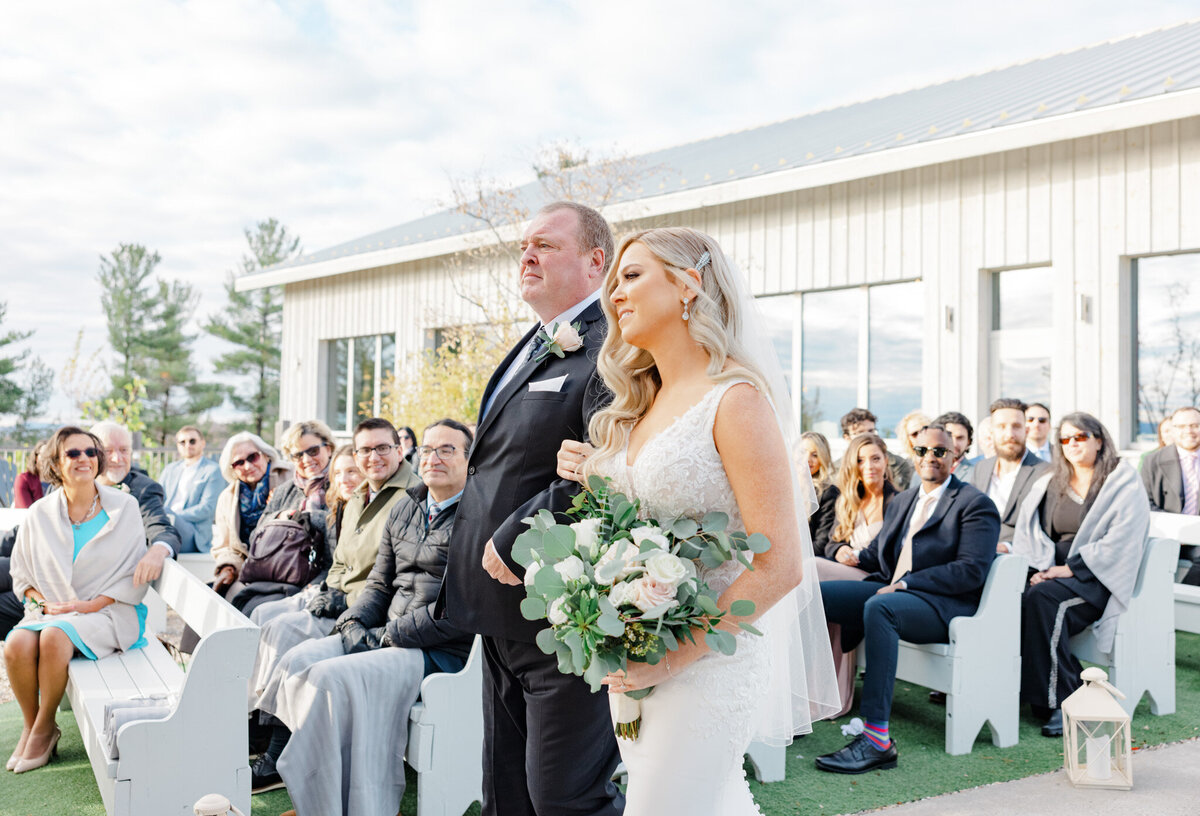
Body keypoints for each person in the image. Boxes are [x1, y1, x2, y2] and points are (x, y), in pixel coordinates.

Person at [555, 226, 839, 814]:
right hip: (635, 652)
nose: (614, 297)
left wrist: (674, 656)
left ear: (688, 286)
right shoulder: (641, 402)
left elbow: (780, 564)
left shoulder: (735, 400)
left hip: (707, 660)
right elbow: (644, 522)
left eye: (631, 276)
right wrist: (595, 476)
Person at [437, 200, 626, 816]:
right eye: (524, 245)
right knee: (507, 792)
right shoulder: (534, 342)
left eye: (545, 244)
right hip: (495, 607)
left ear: (596, 261)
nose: (527, 255)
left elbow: (606, 464)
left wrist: (517, 532)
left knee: (565, 799)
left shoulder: (611, 349)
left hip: (556, 606)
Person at [265, 420, 476, 816]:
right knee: (297, 661)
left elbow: (455, 611)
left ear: (470, 459)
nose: (434, 458)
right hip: (390, 636)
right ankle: (320, 800)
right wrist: (353, 624)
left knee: (329, 678)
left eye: (448, 450)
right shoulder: (406, 508)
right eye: (428, 449)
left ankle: (359, 806)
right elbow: (379, 584)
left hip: (439, 651)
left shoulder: (478, 518)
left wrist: (383, 636)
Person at [247, 417, 420, 792]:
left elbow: (398, 579)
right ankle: (262, 732)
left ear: (399, 448)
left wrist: (345, 600)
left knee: (285, 635)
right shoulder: (359, 496)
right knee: (270, 622)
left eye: (382, 448)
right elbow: (342, 560)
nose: (373, 457)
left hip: (368, 615)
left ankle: (275, 749)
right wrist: (332, 590)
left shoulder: (412, 497)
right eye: (364, 450)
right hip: (341, 601)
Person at [817, 425, 999, 774]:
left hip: (943, 606)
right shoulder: (903, 501)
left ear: (955, 457)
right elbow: (876, 556)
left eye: (940, 451)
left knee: (880, 607)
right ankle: (792, 700)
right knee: (814, 596)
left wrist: (907, 583)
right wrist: (841, 552)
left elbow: (970, 571)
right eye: (922, 451)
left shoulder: (975, 504)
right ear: (913, 456)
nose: (930, 457)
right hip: (895, 592)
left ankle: (876, 740)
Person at [3, 426, 150, 773]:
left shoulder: (124, 507)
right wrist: (43, 605)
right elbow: (21, 574)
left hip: (110, 611)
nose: (84, 459)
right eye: (73, 453)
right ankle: (31, 723)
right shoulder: (39, 513)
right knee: (17, 644)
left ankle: (43, 728)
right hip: (52, 609)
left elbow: (131, 576)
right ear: (56, 462)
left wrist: (87, 606)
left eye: (90, 452)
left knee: (55, 636)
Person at [1011, 412, 1150, 736]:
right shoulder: (1052, 481)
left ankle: (1066, 699)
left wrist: (1069, 568)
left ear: (1098, 440)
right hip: (1052, 570)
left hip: (1097, 578)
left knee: (1044, 600)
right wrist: (1041, 567)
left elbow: (1123, 538)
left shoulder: (1122, 480)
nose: (1072, 444)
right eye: (1065, 439)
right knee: (1011, 590)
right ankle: (1021, 687)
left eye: (1080, 437)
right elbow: (1034, 532)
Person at [811, 432, 899, 717]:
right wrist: (839, 552)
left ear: (886, 461)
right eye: (861, 460)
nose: (869, 466)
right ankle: (822, 692)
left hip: (876, 579)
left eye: (875, 458)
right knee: (817, 579)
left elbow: (892, 553)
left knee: (810, 569)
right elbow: (832, 542)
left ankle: (833, 694)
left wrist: (858, 556)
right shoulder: (850, 500)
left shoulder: (898, 502)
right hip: (845, 572)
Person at [226, 420, 335, 615]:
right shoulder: (285, 491)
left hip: (317, 576)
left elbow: (343, 531)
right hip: (276, 572)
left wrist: (307, 518)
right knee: (225, 603)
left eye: (312, 451)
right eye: (298, 455)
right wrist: (284, 516)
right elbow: (256, 537)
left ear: (328, 448)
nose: (306, 460)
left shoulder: (340, 485)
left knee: (256, 611)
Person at [91, 421, 182, 583]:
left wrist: (158, 550)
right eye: (108, 451)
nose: (117, 458)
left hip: (121, 580)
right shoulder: (77, 485)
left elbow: (161, 528)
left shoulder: (144, 488)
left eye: (124, 450)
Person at [210, 432, 294, 597]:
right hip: (247, 571)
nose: (247, 466)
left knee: (237, 600)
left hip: (285, 569)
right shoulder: (227, 498)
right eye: (239, 462)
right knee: (210, 599)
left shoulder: (289, 477)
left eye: (252, 457)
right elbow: (226, 546)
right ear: (232, 469)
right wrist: (228, 568)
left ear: (266, 456)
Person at [968, 398, 1050, 549]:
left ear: (1026, 431)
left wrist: (1008, 546)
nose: (1009, 434)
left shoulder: (1045, 472)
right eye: (1001, 427)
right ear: (991, 433)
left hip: (1021, 560)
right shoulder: (981, 468)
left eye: (1016, 426)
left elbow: (1045, 528)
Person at [1141, 406, 1200, 585]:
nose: (1188, 431)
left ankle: (1182, 605)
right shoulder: (1153, 461)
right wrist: (1175, 530)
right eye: (1181, 427)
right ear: (1172, 431)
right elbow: (1145, 503)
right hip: (1165, 534)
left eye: (1195, 425)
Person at [158, 426, 226, 553]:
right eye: (182, 442)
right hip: (166, 524)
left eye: (192, 441)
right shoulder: (170, 469)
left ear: (202, 443)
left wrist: (172, 516)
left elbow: (208, 508)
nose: (187, 445)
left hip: (194, 534)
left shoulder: (213, 470)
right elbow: (157, 498)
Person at [839, 408, 914, 489]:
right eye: (860, 433)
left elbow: (899, 498)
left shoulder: (898, 464)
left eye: (871, 431)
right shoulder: (835, 469)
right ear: (847, 438)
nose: (867, 436)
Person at [934, 411, 975, 482]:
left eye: (960, 438)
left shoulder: (976, 475)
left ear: (968, 442)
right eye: (949, 436)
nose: (954, 443)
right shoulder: (922, 472)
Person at [895, 411, 931, 490]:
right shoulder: (904, 467)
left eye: (924, 431)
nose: (920, 436)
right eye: (915, 434)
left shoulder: (941, 459)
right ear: (908, 439)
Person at [13, 441, 46, 508]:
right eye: (43, 455)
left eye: (51, 455)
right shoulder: (23, 479)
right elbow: (25, 511)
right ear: (36, 457)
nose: (47, 458)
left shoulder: (60, 482)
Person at [802, 431, 835, 495]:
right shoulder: (782, 484)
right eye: (802, 452)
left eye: (815, 455)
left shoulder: (829, 492)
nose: (807, 459)